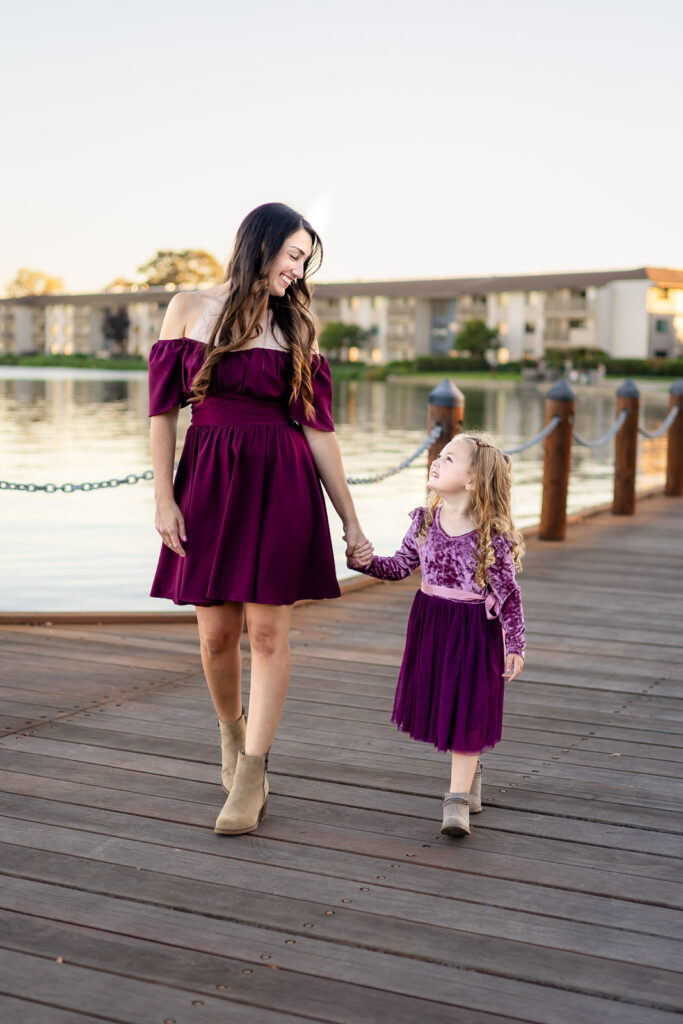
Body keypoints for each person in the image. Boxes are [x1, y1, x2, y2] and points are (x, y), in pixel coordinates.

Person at [148, 202, 372, 837]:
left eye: (305, 262)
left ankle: (252, 775)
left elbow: (320, 433)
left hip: (283, 485)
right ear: (261, 246)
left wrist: (350, 522)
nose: (298, 273)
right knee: (216, 636)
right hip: (208, 484)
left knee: (269, 637)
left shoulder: (298, 327)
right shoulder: (188, 308)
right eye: (293, 257)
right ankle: (231, 735)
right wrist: (164, 498)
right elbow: (163, 416)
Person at [348, 433, 525, 837]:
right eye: (438, 454)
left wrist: (515, 645)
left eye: (448, 458)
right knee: (445, 705)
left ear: (472, 481)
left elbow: (509, 597)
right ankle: (471, 773)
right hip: (432, 624)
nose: (435, 461)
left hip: (474, 632)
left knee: (468, 708)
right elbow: (398, 567)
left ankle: (457, 800)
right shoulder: (424, 523)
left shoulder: (490, 537)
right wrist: (364, 561)